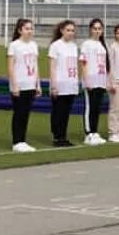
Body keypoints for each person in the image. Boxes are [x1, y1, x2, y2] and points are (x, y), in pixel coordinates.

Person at [6, 18, 40, 153]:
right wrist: (14, 85)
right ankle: (17, 141)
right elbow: (10, 66)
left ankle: (22, 140)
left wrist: (37, 84)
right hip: (19, 84)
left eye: (31, 28)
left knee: (26, 113)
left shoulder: (33, 45)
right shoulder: (14, 45)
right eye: (27, 28)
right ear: (20, 30)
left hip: (30, 83)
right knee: (19, 113)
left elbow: (35, 65)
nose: (29, 31)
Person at [47, 20, 78, 148]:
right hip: (60, 83)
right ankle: (57, 136)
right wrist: (54, 85)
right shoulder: (55, 46)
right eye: (68, 30)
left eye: (72, 30)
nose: (70, 33)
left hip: (71, 83)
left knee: (66, 112)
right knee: (58, 111)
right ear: (62, 31)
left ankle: (63, 136)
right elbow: (53, 67)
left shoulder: (74, 46)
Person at [79, 18, 109, 146]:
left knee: (97, 107)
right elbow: (83, 62)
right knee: (90, 107)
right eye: (95, 29)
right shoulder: (87, 44)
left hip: (100, 79)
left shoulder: (102, 45)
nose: (97, 31)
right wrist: (86, 80)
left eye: (99, 29)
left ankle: (95, 131)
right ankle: (89, 133)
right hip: (91, 78)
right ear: (90, 30)